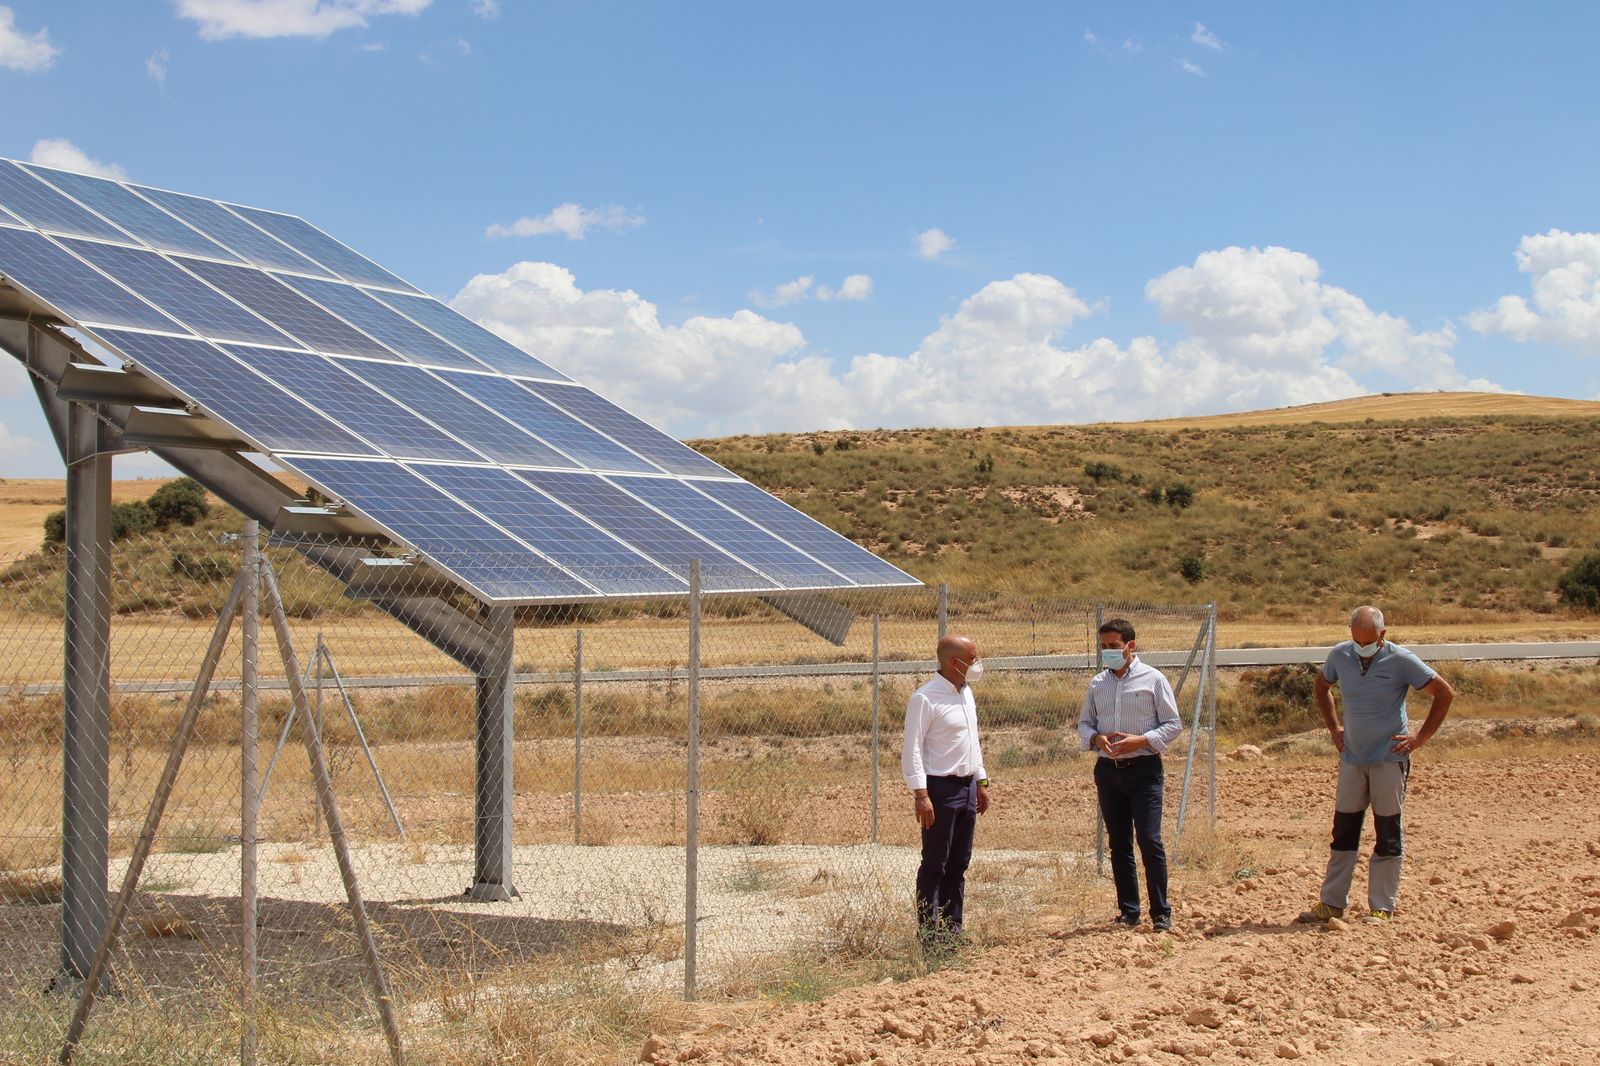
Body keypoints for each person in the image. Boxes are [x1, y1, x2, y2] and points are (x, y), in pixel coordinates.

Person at [1298, 605, 1455, 925]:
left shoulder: (1401, 660)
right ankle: (1331, 903)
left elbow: (1444, 693)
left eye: (1368, 642)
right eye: (1357, 640)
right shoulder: (1340, 656)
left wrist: (1420, 738)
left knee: (1387, 831)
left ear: (1383, 635)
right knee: (1343, 831)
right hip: (1353, 759)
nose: (1362, 647)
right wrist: (1334, 727)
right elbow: (1322, 686)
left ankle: (1381, 906)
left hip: (1388, 759)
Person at [1076, 619, 1183, 931]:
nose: (1108, 651)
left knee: (1149, 840)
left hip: (1144, 770)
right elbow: (1084, 723)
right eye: (1104, 646)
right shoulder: (1097, 684)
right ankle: (1129, 911)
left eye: (1114, 645)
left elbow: (1173, 724)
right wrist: (1096, 739)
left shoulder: (1153, 679)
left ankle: (1160, 912)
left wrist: (1142, 740)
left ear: (1130, 646)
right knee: (1119, 843)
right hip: (1108, 772)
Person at [902, 633, 991, 943]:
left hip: (967, 787)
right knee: (935, 864)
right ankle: (929, 936)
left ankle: (953, 931)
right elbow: (912, 748)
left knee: (959, 863)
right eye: (973, 658)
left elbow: (971, 741)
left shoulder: (966, 693)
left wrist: (981, 781)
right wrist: (921, 794)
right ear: (955, 663)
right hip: (940, 790)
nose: (978, 663)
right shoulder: (925, 698)